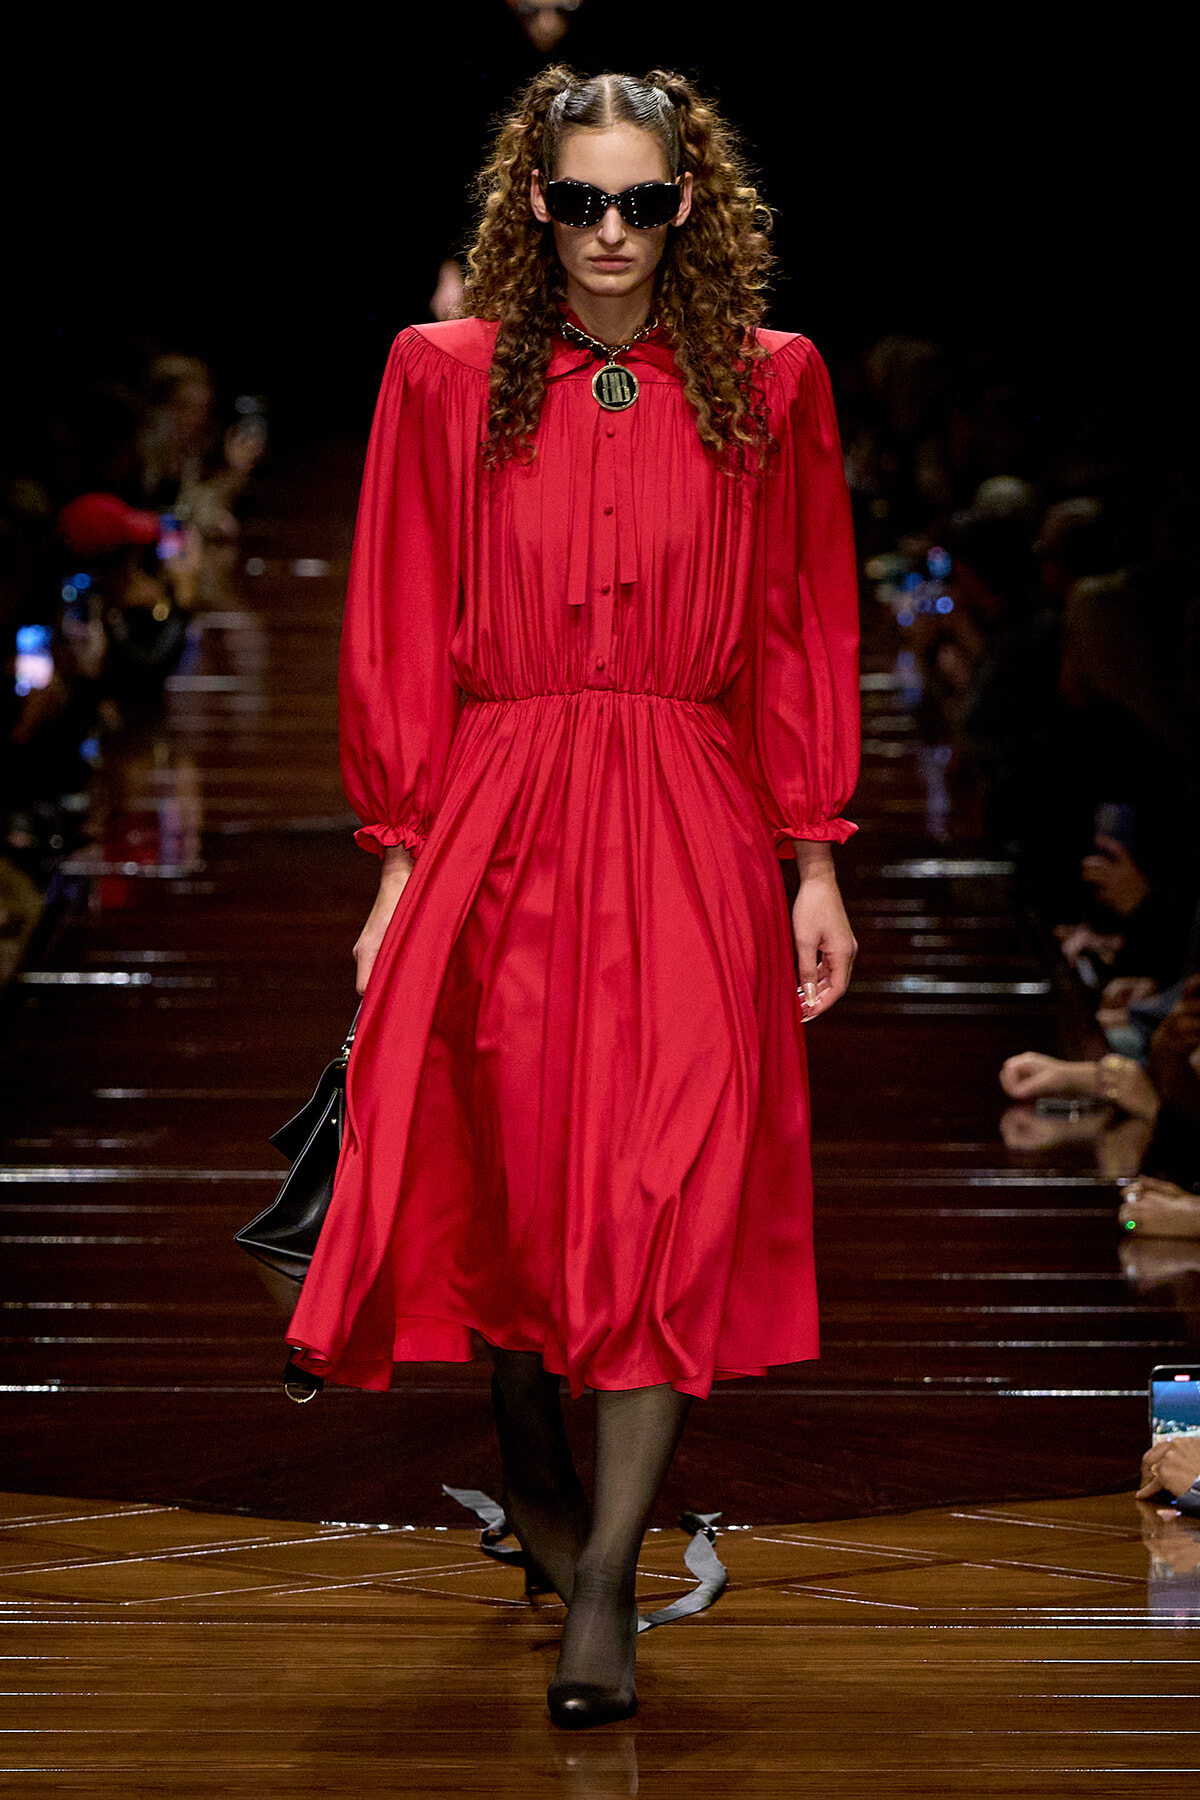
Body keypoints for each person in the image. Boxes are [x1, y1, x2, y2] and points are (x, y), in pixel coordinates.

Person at [284, 67, 860, 1728]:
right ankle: (548, 1512)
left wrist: (813, 858)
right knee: (523, 1201)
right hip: (499, 808)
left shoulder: (773, 382)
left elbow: (807, 621)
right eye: (582, 201)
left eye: (646, 203)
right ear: (532, 203)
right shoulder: (442, 374)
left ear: (696, 205)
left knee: (665, 1188)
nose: (613, 235)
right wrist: (396, 863)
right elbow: (394, 607)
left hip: (692, 811)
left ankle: (605, 1570)